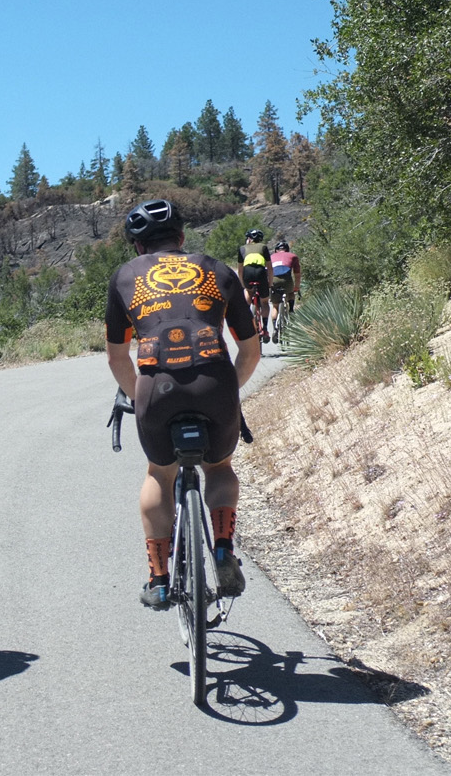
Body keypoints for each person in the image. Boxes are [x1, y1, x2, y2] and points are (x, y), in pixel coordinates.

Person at [105, 200, 262, 610]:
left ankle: (158, 579)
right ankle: (224, 546)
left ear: (138, 247)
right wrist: (230, 390)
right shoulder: (219, 270)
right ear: (181, 238)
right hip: (216, 382)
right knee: (219, 467)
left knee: (160, 474)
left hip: (156, 388)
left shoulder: (124, 277)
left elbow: (117, 358)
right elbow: (250, 350)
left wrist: (139, 398)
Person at [237, 228, 271, 344]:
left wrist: (242, 285)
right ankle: (265, 329)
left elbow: (240, 269)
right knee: (265, 302)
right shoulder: (263, 247)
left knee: (248, 291)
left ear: (249, 239)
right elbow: (269, 267)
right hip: (260, 273)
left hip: (248, 272)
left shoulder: (242, 248)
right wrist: (269, 284)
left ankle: (247, 315)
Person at [268, 239, 301, 331]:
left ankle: (275, 327)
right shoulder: (293, 256)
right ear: (287, 249)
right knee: (291, 293)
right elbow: (297, 274)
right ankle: (291, 310)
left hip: (274, 280)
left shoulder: (271, 257)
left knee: (275, 306)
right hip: (287, 280)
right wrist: (296, 287)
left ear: (276, 250)